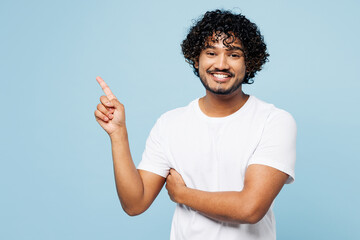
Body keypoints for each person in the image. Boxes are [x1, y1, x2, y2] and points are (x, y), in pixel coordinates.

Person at [94, 9, 296, 240]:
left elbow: (250, 208)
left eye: (234, 55)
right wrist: (118, 134)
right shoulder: (170, 124)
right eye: (211, 52)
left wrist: (182, 194)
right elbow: (135, 204)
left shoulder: (273, 121)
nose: (221, 64)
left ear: (249, 62)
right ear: (196, 58)